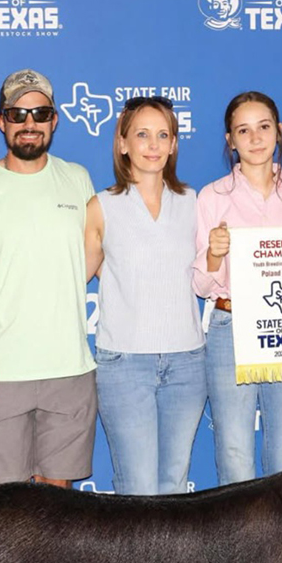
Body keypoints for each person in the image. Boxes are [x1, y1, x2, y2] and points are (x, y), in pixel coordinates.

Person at [0, 69, 97, 489]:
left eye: (40, 113)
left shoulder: (79, 179)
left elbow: (92, 260)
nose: (29, 123)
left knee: (57, 510)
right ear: (2, 121)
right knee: (5, 510)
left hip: (68, 368)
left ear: (54, 120)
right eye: (18, 114)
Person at [193, 91, 282, 485]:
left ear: (278, 132)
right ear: (230, 140)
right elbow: (200, 283)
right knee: (233, 451)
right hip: (230, 324)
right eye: (243, 130)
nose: (255, 138)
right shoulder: (212, 196)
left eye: (264, 127)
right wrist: (214, 254)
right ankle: (238, 547)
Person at [84, 97, 205, 494]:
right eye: (141, 134)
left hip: (187, 362)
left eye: (162, 135)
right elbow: (77, 274)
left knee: (173, 487)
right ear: (122, 144)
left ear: (173, 145)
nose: (152, 145)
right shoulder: (101, 206)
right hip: (125, 365)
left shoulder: (194, 203)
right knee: (136, 490)